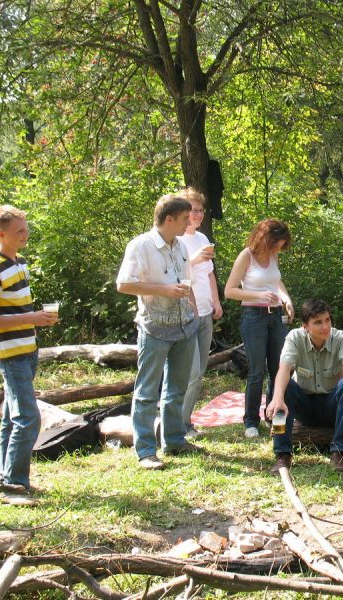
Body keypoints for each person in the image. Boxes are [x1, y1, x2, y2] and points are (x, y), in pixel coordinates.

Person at [0, 206, 59, 506]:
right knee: (27, 418)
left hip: (28, 348)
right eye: (19, 231)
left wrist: (36, 319)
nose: (26, 234)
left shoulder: (19, 262)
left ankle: (6, 477)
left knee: (13, 418)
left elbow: (18, 311)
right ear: (1, 234)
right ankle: (14, 486)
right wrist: (32, 318)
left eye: (26, 228)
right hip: (10, 354)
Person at [117, 193, 200, 470]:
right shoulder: (140, 246)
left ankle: (174, 440)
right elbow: (124, 284)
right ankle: (145, 451)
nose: (190, 223)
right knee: (146, 392)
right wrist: (162, 290)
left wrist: (193, 309)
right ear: (169, 219)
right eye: (185, 219)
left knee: (176, 388)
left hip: (184, 325)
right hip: (154, 327)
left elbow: (185, 282)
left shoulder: (181, 247)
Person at [265, 299, 343, 473]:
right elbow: (283, 370)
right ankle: (282, 454)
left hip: (331, 405)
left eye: (327, 320)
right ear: (305, 326)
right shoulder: (294, 337)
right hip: (304, 405)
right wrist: (277, 399)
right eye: (318, 322)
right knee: (279, 389)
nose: (325, 326)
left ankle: (340, 453)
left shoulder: (342, 338)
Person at [224, 219, 294, 439]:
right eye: (276, 244)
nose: (278, 250)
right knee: (257, 371)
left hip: (275, 318)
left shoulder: (274, 256)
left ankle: (275, 415)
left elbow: (276, 282)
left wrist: (286, 298)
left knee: (280, 369)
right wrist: (258, 295)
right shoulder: (247, 255)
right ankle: (250, 421)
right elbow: (230, 291)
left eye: (281, 246)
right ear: (266, 239)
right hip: (253, 317)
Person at [177, 188, 223, 439]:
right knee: (190, 370)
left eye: (200, 210)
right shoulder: (177, 239)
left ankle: (186, 421)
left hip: (205, 311)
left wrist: (217, 301)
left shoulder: (203, 239)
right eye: (192, 210)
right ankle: (179, 425)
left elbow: (209, 273)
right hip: (187, 312)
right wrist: (193, 258)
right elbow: (179, 271)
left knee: (200, 370)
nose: (197, 215)